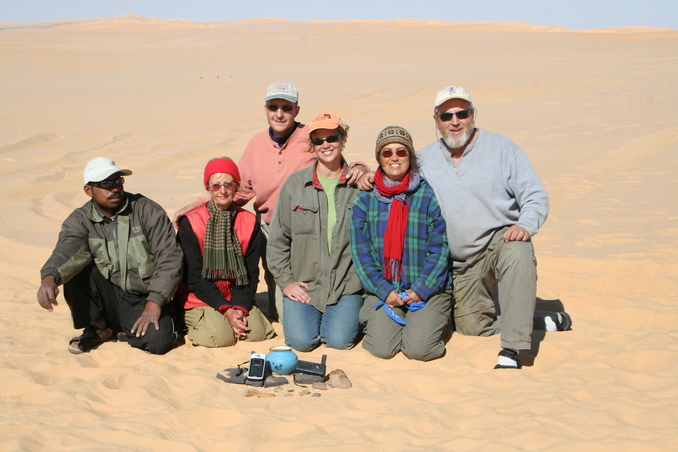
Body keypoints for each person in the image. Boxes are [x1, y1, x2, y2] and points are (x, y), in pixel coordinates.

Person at [176, 82, 367, 323]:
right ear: (265, 110)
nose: (279, 113)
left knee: (314, 292)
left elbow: (337, 163)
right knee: (282, 312)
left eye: (286, 107)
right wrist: (200, 203)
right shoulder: (256, 145)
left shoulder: (312, 136)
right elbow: (240, 189)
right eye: (273, 106)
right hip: (267, 229)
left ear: (296, 110)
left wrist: (361, 166)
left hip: (305, 229)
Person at [416, 86, 571, 369]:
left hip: (496, 244)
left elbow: (534, 195)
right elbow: (394, 179)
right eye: (446, 115)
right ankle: (531, 320)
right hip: (458, 261)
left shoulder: (503, 149)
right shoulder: (424, 159)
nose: (455, 121)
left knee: (518, 250)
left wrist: (525, 225)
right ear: (436, 120)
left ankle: (512, 349)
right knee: (471, 326)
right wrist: (361, 171)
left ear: (473, 115)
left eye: (462, 113)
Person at [37, 157, 182, 355]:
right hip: (108, 293)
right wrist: (49, 278)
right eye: (106, 183)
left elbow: (170, 257)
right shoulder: (80, 219)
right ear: (89, 190)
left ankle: (126, 328)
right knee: (76, 268)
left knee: (158, 341)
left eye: (118, 181)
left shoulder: (146, 210)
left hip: (142, 297)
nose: (114, 188)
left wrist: (155, 302)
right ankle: (99, 328)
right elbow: (67, 249)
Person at [350, 126, 452, 361]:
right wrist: (386, 292)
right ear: (379, 158)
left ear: (410, 156)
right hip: (384, 289)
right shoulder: (365, 199)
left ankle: (431, 320)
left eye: (401, 152)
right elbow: (361, 254)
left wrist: (420, 290)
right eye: (387, 153)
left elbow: (439, 248)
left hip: (425, 288)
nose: (394, 157)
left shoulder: (425, 194)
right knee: (382, 349)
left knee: (418, 350)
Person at [266, 112, 363, 352]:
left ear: (343, 139)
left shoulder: (360, 185)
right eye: (318, 140)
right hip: (306, 284)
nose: (326, 145)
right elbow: (278, 239)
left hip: (345, 285)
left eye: (332, 137)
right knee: (301, 342)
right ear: (312, 145)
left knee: (339, 341)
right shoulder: (295, 185)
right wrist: (286, 282)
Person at [175, 157, 275, 347]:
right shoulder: (191, 223)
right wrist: (225, 309)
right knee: (221, 338)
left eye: (228, 185)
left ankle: (230, 316)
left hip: (236, 291)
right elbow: (193, 276)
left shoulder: (249, 221)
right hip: (201, 295)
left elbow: (250, 273)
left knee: (256, 334)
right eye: (216, 185)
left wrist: (238, 307)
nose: (222, 191)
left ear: (236, 187)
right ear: (208, 188)